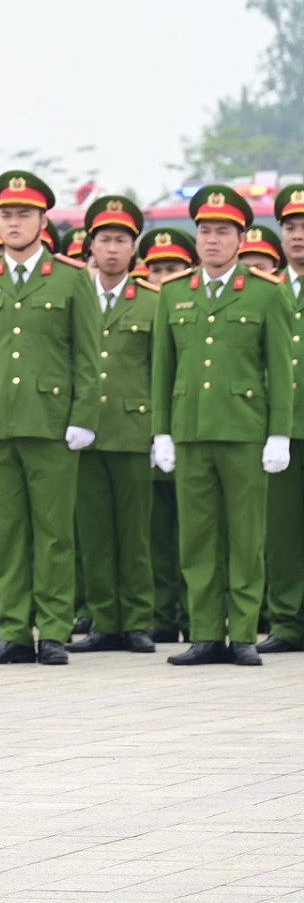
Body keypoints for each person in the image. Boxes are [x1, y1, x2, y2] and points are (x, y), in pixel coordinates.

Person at [0, 171, 99, 667]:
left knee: (54, 533)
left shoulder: (70, 278)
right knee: (6, 534)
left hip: (51, 423)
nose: (14, 223)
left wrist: (83, 415)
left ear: (42, 221)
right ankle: (14, 629)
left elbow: (87, 356)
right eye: (7, 215)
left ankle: (53, 629)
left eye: (24, 215)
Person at [152, 184, 293, 666]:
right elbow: (163, 368)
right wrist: (162, 431)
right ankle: (207, 633)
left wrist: (278, 432)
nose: (212, 240)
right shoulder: (174, 292)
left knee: (246, 537)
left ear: (241, 238)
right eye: (205, 231)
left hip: (244, 431)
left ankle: (245, 634)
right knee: (197, 538)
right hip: (191, 430)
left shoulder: (265, 292)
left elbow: (279, 369)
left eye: (223, 232)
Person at [68, 196, 159, 655]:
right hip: (84, 432)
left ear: (134, 247)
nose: (112, 249)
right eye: (104, 239)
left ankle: (137, 620)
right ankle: (104, 620)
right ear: (91, 245)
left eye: (121, 240)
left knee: (134, 533)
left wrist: (160, 431)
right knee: (94, 534)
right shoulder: (75, 296)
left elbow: (160, 369)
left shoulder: (153, 301)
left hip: (132, 431)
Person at [261, 184, 304, 656]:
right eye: (290, 227)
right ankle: (288, 622)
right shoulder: (267, 291)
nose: (298, 235)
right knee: (283, 532)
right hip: (281, 428)